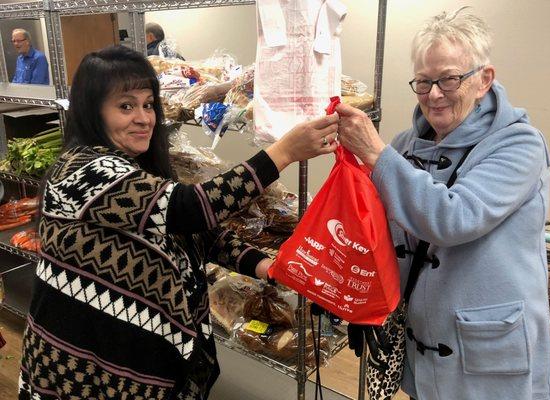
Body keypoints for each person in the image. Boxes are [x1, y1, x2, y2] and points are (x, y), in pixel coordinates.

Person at [18, 45, 338, 399]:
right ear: (92, 111)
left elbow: (198, 232)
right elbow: (192, 208)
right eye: (126, 106)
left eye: (148, 104)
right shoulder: (82, 170)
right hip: (85, 370)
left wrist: (267, 266)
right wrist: (284, 152)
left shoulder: (137, 167)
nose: (144, 118)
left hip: (137, 359)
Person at [338, 8, 550, 400]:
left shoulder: (520, 145)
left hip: (489, 351)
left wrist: (374, 153)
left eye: (449, 79)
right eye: (423, 82)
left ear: (483, 80)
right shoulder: (404, 145)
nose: (434, 94)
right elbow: (381, 235)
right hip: (424, 343)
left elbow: (454, 217)